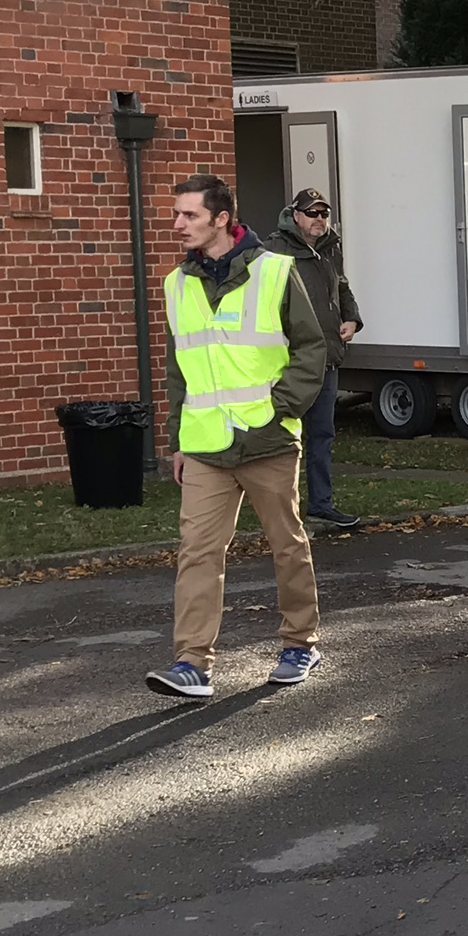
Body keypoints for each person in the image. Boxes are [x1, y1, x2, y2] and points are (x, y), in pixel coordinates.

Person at [145, 174, 328, 700]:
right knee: (197, 552)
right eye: (176, 215)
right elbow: (179, 368)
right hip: (205, 446)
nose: (177, 224)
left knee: (287, 544)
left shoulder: (275, 271)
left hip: (266, 438)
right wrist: (179, 438)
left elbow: (310, 348)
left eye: (189, 215)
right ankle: (191, 664)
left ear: (221, 218)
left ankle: (300, 642)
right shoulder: (176, 284)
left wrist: (281, 409)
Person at [264, 186, 363, 528]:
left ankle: (321, 504)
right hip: (292, 360)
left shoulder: (330, 248)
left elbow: (343, 287)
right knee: (281, 436)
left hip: (328, 357)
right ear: (296, 217)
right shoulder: (275, 250)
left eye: (324, 213)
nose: (319, 219)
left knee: (322, 435)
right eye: (312, 213)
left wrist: (351, 318)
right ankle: (278, 508)